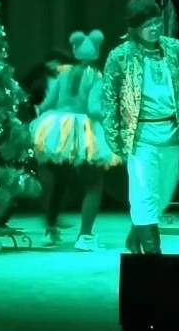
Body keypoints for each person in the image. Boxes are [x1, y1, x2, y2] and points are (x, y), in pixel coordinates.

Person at [102, 0, 179, 254]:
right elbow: (109, 99)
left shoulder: (174, 49)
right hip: (140, 136)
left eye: (157, 22)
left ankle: (135, 235)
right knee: (143, 193)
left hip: (172, 133)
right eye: (147, 24)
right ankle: (153, 254)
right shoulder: (120, 56)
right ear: (134, 28)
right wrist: (113, 136)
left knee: (163, 194)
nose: (154, 28)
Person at [30, 29, 121, 250]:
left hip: (57, 128)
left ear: (75, 50)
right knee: (93, 184)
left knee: (61, 180)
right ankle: (85, 237)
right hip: (82, 130)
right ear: (97, 52)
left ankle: (50, 230)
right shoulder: (96, 76)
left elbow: (48, 103)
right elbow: (93, 109)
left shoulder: (63, 73)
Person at [0, 48, 78, 229]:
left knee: (62, 174)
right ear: (52, 63)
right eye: (62, 64)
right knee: (29, 176)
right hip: (36, 134)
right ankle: (0, 218)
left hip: (53, 136)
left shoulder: (62, 81)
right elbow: (28, 103)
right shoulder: (39, 79)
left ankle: (51, 219)